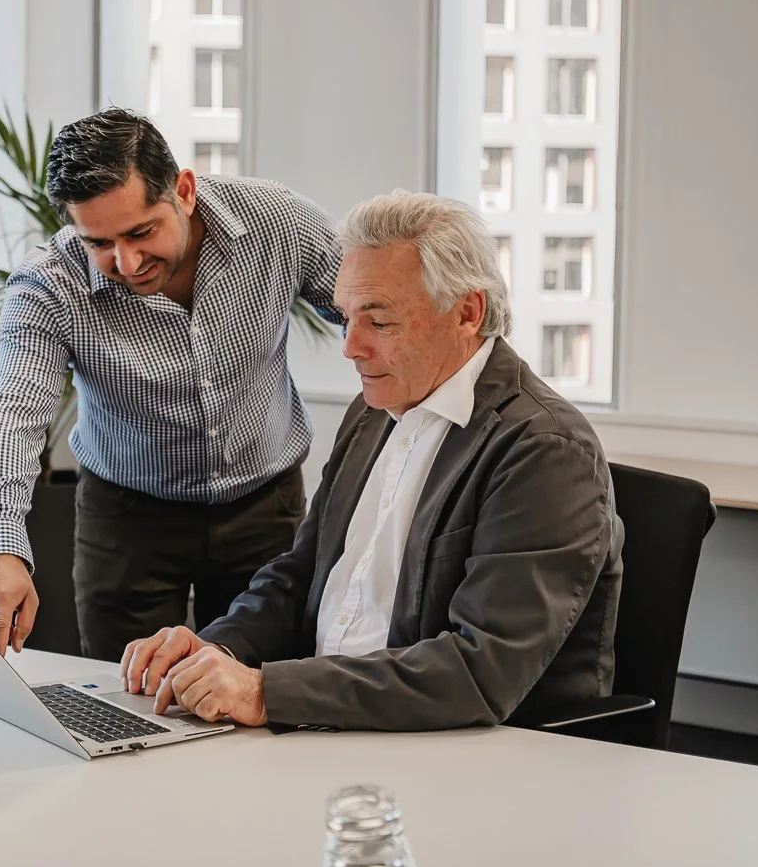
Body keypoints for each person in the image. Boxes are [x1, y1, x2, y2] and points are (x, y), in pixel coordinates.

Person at [118, 189, 624, 731]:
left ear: (467, 313)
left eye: (378, 322)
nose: (351, 346)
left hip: (463, 754)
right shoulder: (375, 409)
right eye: (346, 318)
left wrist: (267, 694)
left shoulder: (544, 450)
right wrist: (213, 649)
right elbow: (301, 574)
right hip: (330, 723)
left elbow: (479, 673)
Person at [0, 108, 342, 660]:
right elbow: (9, 410)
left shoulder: (277, 221)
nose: (128, 262)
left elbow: (366, 307)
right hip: (127, 519)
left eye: (141, 232)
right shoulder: (49, 285)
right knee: (126, 701)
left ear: (183, 191)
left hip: (265, 507)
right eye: (100, 243)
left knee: (266, 687)